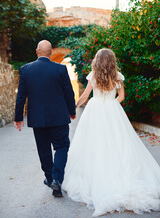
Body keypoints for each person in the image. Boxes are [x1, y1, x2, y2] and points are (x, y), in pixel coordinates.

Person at [62, 48, 160, 216]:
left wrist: (74, 107)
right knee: (119, 143)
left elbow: (85, 95)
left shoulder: (93, 75)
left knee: (94, 143)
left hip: (95, 109)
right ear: (112, 60)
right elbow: (121, 97)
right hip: (113, 109)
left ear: (97, 60)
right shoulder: (118, 77)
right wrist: (111, 104)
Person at [14, 40, 76, 198]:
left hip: (38, 119)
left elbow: (21, 96)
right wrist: (72, 111)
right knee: (61, 147)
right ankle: (57, 179)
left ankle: (50, 178)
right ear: (51, 53)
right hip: (59, 117)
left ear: (37, 51)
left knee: (43, 149)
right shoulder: (60, 69)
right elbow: (69, 93)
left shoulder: (26, 70)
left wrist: (18, 117)